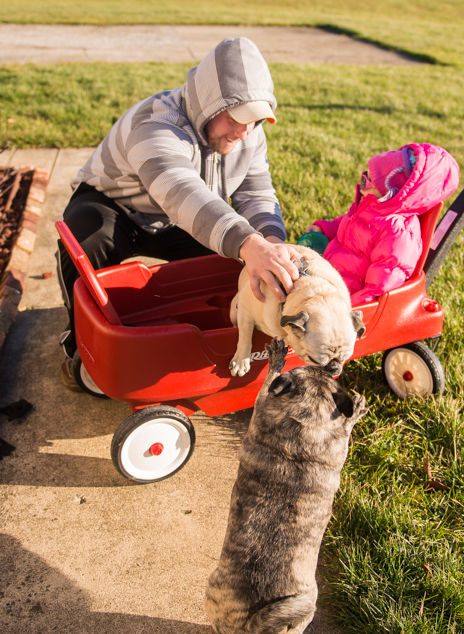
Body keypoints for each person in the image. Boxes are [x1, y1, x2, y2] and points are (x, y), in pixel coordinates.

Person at [56, 37, 300, 391]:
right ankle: (80, 342)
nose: (245, 131)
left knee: (245, 264)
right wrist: (250, 243)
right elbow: (182, 193)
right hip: (116, 207)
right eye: (237, 117)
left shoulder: (248, 134)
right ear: (209, 103)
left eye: (257, 120)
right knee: (85, 238)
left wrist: (271, 246)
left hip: (183, 218)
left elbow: (256, 192)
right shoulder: (154, 124)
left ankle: (232, 334)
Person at [304, 143, 459, 306]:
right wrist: (325, 229)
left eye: (367, 182)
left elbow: (378, 291)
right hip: (328, 279)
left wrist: (345, 310)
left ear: (390, 193)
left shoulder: (397, 235)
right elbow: (349, 228)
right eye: (365, 176)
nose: (361, 184)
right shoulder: (371, 207)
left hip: (346, 299)